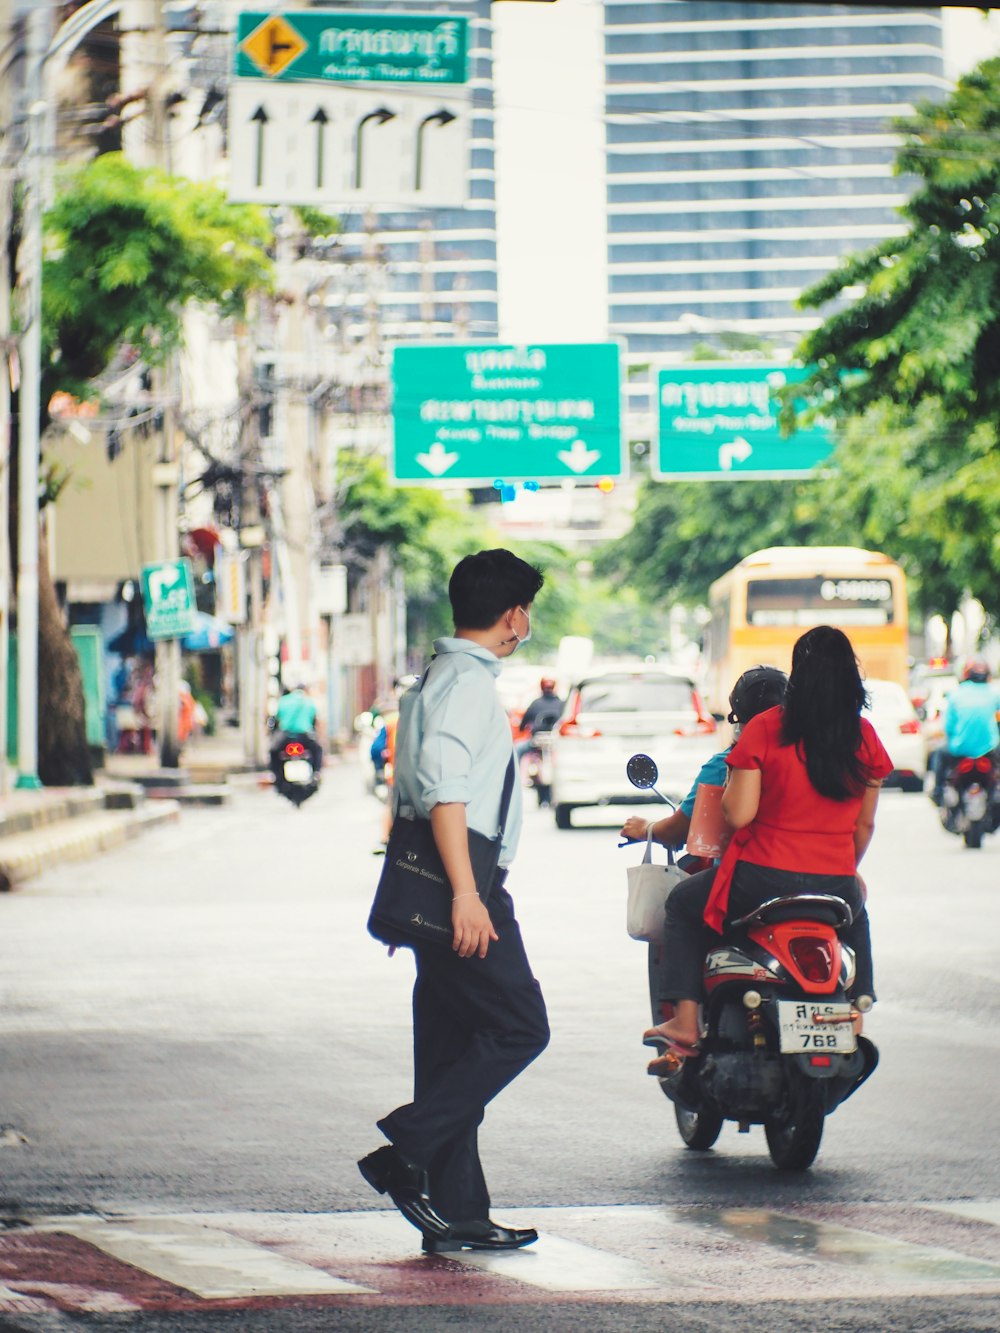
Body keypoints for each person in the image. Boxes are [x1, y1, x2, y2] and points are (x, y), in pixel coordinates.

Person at [358, 548, 550, 1255]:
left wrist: (414, 900)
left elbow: (402, 792)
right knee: (520, 1026)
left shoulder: (433, 678)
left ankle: (459, 1209)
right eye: (526, 607)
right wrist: (465, 897)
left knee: (449, 1047)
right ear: (512, 615)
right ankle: (404, 1150)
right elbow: (443, 792)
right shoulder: (465, 684)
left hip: (437, 883)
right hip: (466, 883)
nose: (526, 619)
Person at [644, 625, 892, 1065]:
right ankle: (857, 1009)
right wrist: (837, 867)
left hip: (759, 879)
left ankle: (684, 1021)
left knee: (682, 904)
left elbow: (738, 815)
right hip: (833, 878)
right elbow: (865, 826)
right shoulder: (865, 736)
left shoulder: (766, 729)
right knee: (857, 912)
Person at [621, 665, 788, 863]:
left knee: (678, 895)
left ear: (737, 716)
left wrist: (646, 828)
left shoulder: (728, 763)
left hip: (750, 873)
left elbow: (678, 830)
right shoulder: (812, 758)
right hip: (820, 874)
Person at [930, 657, 1000, 804]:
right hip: (990, 749)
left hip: (959, 749)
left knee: (939, 754)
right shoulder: (994, 694)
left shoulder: (955, 694)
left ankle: (937, 792)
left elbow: (948, 727)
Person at [269, 681, 322, 779]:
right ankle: (316, 773)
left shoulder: (283, 700)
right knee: (317, 749)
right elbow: (314, 721)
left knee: (273, 751)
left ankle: (274, 774)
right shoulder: (309, 702)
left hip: (285, 735)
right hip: (304, 736)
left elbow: (277, 719)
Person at [514, 677, 563, 760]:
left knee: (517, 748)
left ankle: (515, 772)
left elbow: (524, 722)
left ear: (541, 687)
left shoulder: (535, 703)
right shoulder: (561, 704)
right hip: (554, 742)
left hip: (536, 742)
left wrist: (522, 728)